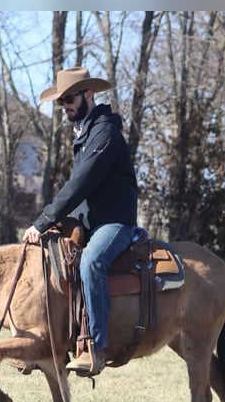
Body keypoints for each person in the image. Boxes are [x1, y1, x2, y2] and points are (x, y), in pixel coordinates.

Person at [22, 66, 138, 377]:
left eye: (69, 99)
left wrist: (43, 221)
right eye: (61, 102)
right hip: (91, 223)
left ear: (89, 94)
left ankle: (96, 348)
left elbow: (79, 184)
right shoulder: (87, 132)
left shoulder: (105, 134)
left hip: (115, 224)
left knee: (91, 263)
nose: (66, 106)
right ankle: (49, 342)